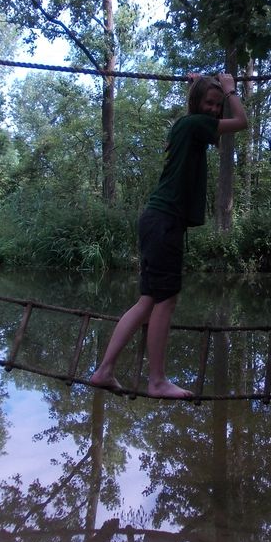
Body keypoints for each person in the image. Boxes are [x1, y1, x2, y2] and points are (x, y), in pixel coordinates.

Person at [90, 72, 248, 398]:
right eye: (209, 103)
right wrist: (231, 91)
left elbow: (207, 107)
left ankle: (104, 371)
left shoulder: (186, 126)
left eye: (218, 105)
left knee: (148, 301)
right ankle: (157, 381)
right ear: (196, 102)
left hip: (156, 220)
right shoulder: (195, 124)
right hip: (165, 223)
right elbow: (242, 122)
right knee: (165, 300)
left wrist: (201, 83)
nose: (215, 110)